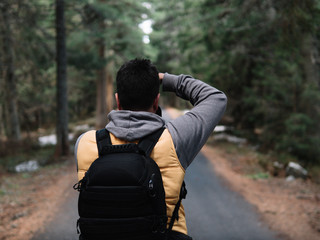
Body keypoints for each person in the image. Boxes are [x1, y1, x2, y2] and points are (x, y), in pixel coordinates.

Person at [74, 58, 227, 239]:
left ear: (117, 100)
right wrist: (166, 79)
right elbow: (215, 98)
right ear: (156, 102)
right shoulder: (176, 138)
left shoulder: (84, 143)